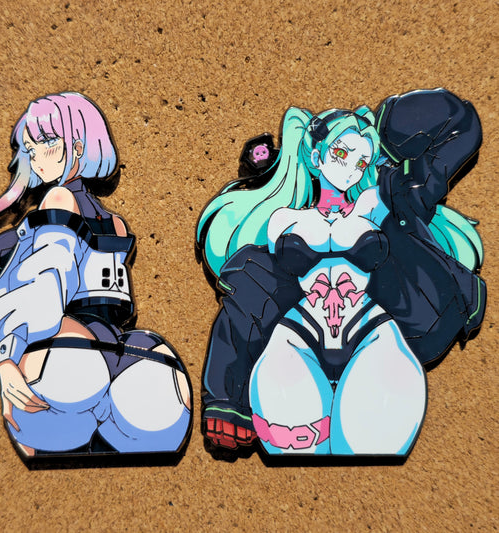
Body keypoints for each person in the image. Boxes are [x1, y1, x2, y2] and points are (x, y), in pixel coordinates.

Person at [196, 89, 485, 455]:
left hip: (375, 332)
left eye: (363, 161)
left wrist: (390, 125)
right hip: (298, 337)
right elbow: (260, 291)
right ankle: (227, 400)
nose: (352, 168)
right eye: (343, 154)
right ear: (316, 157)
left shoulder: (377, 201)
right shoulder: (285, 217)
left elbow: (461, 127)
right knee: (250, 275)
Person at [0, 93, 191, 458]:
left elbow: (48, 282)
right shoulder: (114, 223)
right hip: (127, 353)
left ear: (76, 146)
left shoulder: (58, 199)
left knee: (40, 426)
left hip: (70, 350)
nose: (34, 157)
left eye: (44, 143)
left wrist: (6, 357)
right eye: (29, 148)